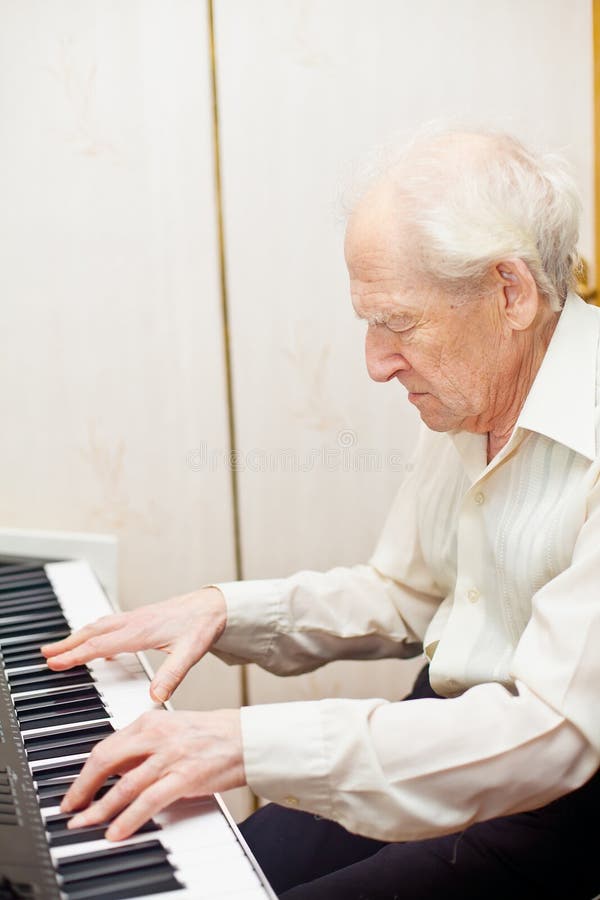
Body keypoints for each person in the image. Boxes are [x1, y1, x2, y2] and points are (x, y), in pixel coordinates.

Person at [42, 128, 600, 899]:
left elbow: (552, 735)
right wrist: (221, 611)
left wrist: (247, 744)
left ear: (510, 291)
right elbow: (406, 594)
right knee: (225, 873)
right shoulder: (476, 387)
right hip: (436, 727)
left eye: (398, 323)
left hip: (559, 804)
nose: (376, 363)